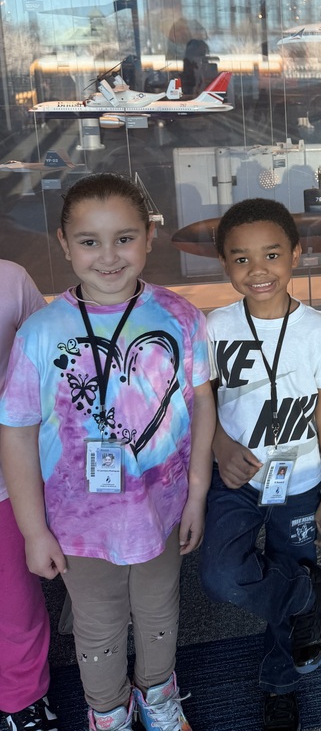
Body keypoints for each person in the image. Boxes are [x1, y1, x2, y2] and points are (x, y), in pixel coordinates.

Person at [0, 174, 216, 731]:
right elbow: (17, 432)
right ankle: (108, 711)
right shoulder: (39, 332)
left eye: (124, 238)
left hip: (160, 511)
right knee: (97, 624)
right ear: (64, 244)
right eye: (90, 241)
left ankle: (158, 696)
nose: (109, 256)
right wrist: (33, 530)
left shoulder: (182, 317)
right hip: (77, 525)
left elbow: (200, 403)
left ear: (148, 238)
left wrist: (195, 496)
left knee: (160, 610)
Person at [200, 198, 321, 731]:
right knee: (220, 574)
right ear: (225, 265)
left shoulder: (315, 329)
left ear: (296, 255)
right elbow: (202, 400)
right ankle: (307, 591)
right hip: (237, 481)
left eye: (271, 255)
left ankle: (282, 680)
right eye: (241, 259)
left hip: (301, 481)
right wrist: (217, 443)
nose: (258, 270)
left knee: (290, 572)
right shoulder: (215, 326)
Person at [0, 262, 57, 731]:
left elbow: (54, 350)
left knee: (13, 602)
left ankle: (22, 701)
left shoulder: (10, 279)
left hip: (4, 481)